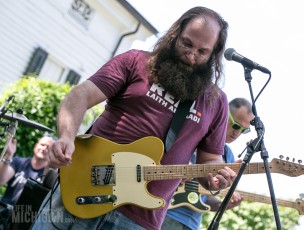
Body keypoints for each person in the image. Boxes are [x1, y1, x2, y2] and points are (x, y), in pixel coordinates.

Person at [32, 6, 236, 230]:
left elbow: (210, 160)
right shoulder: (135, 62)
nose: (191, 55)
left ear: (213, 54)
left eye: (202, 52)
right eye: (187, 44)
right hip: (82, 188)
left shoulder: (216, 102)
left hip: (139, 220)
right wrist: (67, 137)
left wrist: (215, 178)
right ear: (175, 34)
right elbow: (80, 95)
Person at [162, 97, 254, 230]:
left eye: (244, 130)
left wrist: (223, 205)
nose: (237, 133)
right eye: (236, 125)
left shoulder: (228, 156)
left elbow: (203, 198)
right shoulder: (194, 134)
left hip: (191, 224)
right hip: (165, 213)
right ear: (223, 115)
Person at [0, 135, 56, 206]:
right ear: (36, 146)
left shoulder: (49, 174)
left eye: (48, 148)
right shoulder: (18, 162)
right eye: (42, 145)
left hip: (26, 214)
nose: (44, 148)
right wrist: (9, 155)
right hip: (4, 208)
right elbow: (1, 180)